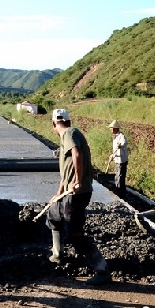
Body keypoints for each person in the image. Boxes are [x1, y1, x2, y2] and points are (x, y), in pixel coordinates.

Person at [46, 108, 111, 286]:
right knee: (53, 215)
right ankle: (57, 255)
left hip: (77, 193)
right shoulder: (67, 136)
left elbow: (77, 154)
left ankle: (102, 270)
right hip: (68, 192)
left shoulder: (69, 133)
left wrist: (77, 180)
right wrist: (58, 193)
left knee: (74, 234)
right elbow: (66, 172)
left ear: (54, 124)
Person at [106, 120, 129, 197]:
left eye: (111, 128)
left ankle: (120, 194)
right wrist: (112, 156)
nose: (110, 129)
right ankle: (120, 192)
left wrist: (121, 145)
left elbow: (124, 142)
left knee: (119, 177)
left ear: (115, 128)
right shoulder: (115, 136)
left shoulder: (121, 136)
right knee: (118, 176)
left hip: (121, 161)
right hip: (117, 160)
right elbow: (116, 150)